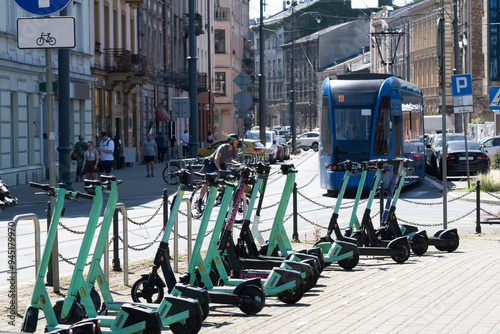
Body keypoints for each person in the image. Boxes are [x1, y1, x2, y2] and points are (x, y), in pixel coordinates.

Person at [197, 133, 240, 211]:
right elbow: (216, 159)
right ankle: (199, 201)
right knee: (207, 183)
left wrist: (239, 169)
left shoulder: (233, 151)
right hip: (212, 163)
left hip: (222, 164)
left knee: (226, 180)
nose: (238, 142)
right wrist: (220, 170)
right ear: (230, 141)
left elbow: (235, 163)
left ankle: (221, 196)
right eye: (236, 141)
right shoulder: (222, 147)